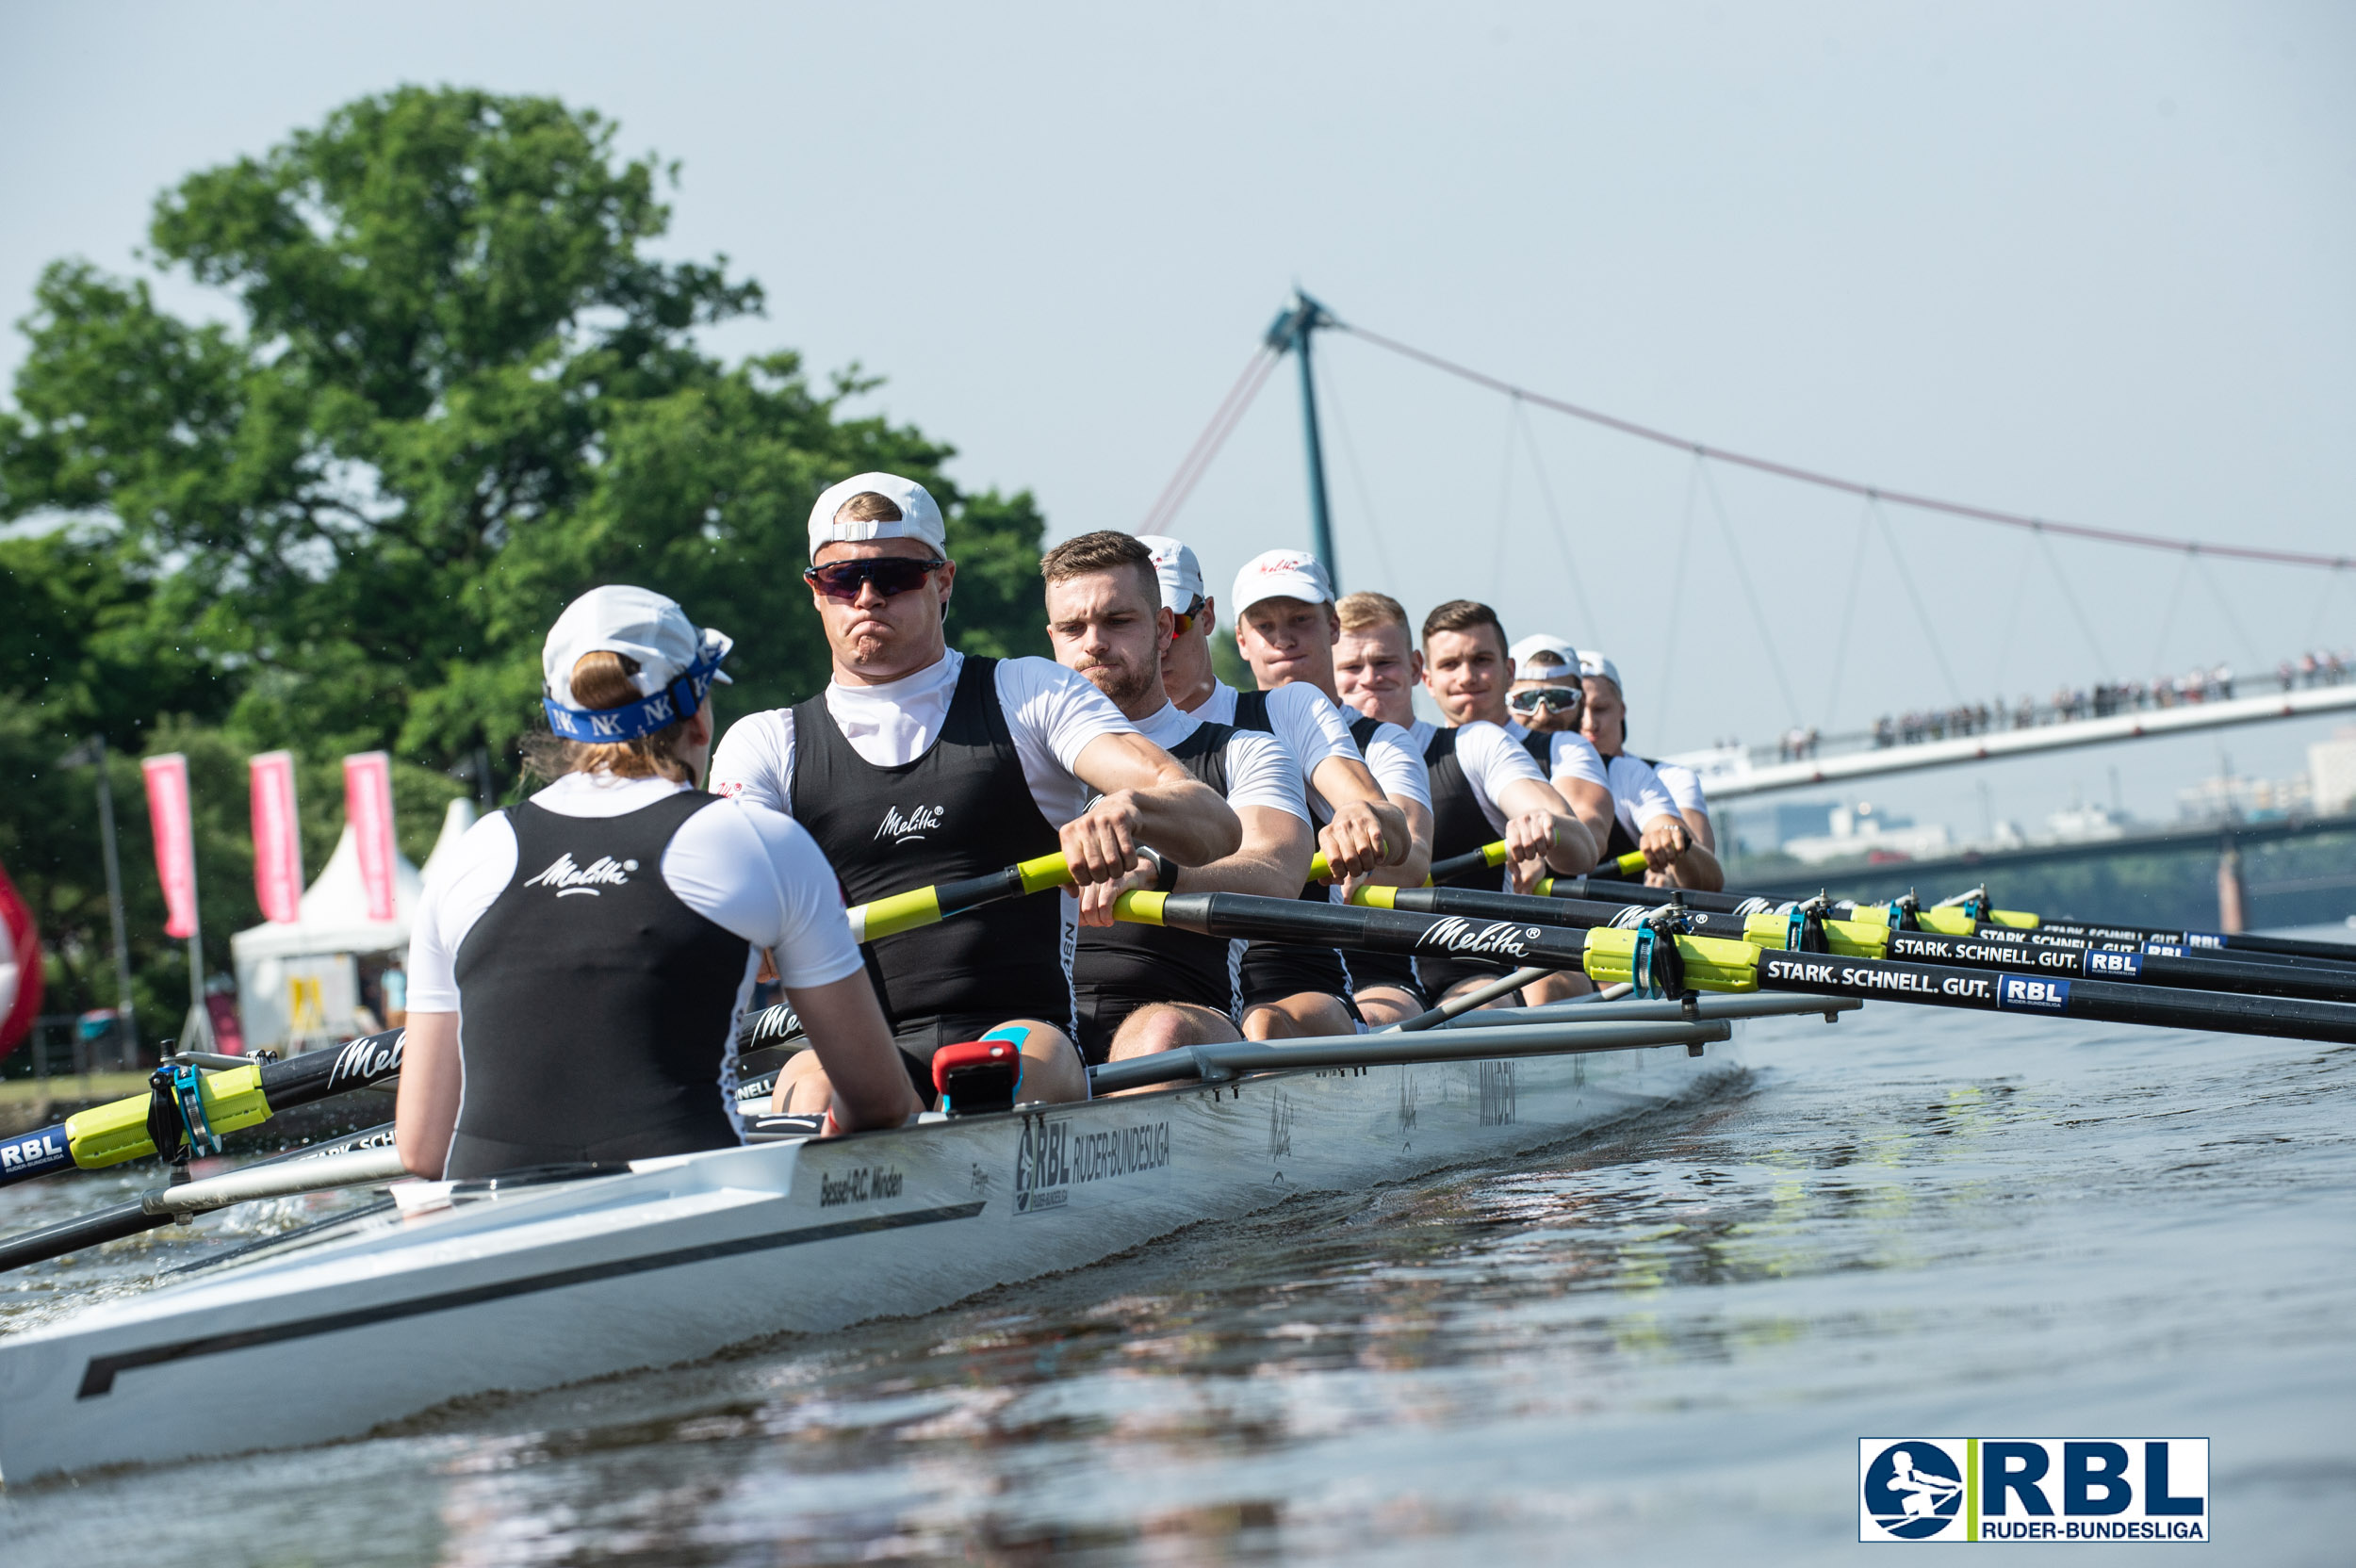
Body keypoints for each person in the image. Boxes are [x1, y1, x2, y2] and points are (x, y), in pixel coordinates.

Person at [712, 476, 1239, 1110]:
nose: (868, 597)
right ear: (814, 592)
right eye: (842, 579)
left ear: (943, 583)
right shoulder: (765, 743)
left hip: (1020, 1034)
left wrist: (1132, 810)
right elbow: (725, 894)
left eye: (895, 576)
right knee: (813, 1088)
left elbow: (1213, 822)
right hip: (861, 1047)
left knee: (998, 1071)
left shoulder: (1028, 693)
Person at [396, 586, 922, 1181]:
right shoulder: (756, 840)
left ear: (560, 721)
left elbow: (421, 1149)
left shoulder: (474, 853)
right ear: (697, 717)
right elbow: (882, 1103)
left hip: (483, 1222)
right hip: (695, 1210)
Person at [1041, 531, 1314, 1063]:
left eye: (1118, 622)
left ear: (1164, 629)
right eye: (1074, 629)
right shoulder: (1018, 754)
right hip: (1037, 1020)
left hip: (1182, 1012)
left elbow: (1277, 871)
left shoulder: (1243, 750)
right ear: (1053, 637)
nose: (1093, 643)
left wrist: (1160, 874)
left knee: (1159, 1033)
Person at [1141, 536, 1420, 1037]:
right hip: (1160, 987)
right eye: (1137, 627)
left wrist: (1363, 817)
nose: (1158, 644)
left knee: (1262, 1026)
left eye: (1173, 623)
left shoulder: (1289, 710)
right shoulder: (1081, 733)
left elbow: (1399, 837)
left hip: (1287, 979)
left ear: (1204, 619)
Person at [1333, 595, 1596, 1008]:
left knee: (1474, 1008)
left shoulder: (1476, 742)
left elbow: (1581, 850)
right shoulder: (1310, 759)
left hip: (1474, 977)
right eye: (1351, 667)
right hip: (1361, 980)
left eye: (1384, 662)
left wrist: (1545, 825)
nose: (1369, 678)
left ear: (1416, 668)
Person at [1224, 549, 1435, 1028]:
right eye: (1264, 626)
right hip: (1233, 971)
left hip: (1369, 966)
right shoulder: (1218, 736)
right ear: (1241, 639)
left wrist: (1369, 831)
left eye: (1301, 618)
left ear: (1333, 627)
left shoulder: (1382, 741)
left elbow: (1415, 857)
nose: (1283, 639)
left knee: (1268, 1027)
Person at [1576, 650, 1723, 890]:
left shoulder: (1673, 778)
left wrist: (1673, 876)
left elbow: (1706, 878)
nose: (1589, 723)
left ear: (1622, 710)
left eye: (1600, 708)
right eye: (1580, 712)